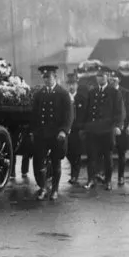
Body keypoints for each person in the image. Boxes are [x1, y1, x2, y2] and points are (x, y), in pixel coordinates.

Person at [31, 65, 73, 201]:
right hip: (42, 135)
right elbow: (35, 115)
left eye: (48, 77)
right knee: (40, 162)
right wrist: (34, 131)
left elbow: (69, 115)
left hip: (56, 135)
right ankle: (43, 188)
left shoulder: (63, 93)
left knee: (56, 162)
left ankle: (54, 190)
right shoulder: (39, 94)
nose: (46, 80)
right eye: (44, 78)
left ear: (55, 77)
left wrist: (63, 131)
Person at [83, 68, 124, 191]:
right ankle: (91, 180)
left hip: (107, 130)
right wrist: (85, 127)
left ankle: (108, 181)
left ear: (107, 77)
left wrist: (117, 126)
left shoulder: (114, 92)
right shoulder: (92, 92)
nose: (99, 78)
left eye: (102, 76)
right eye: (98, 76)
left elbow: (119, 112)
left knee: (107, 156)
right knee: (92, 156)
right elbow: (87, 111)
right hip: (93, 130)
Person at [109, 71, 129, 187]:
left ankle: (121, 176)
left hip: (122, 128)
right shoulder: (105, 92)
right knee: (106, 153)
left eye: (115, 78)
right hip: (108, 128)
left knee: (121, 153)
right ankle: (106, 177)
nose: (113, 80)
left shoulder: (126, 93)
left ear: (119, 79)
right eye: (111, 78)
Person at [65, 73, 87, 185]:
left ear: (77, 84)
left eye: (73, 84)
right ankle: (74, 169)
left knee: (77, 153)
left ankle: (74, 175)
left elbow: (86, 115)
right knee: (67, 152)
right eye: (69, 84)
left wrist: (83, 128)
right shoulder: (64, 98)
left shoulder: (82, 99)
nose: (71, 87)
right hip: (67, 130)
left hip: (78, 131)